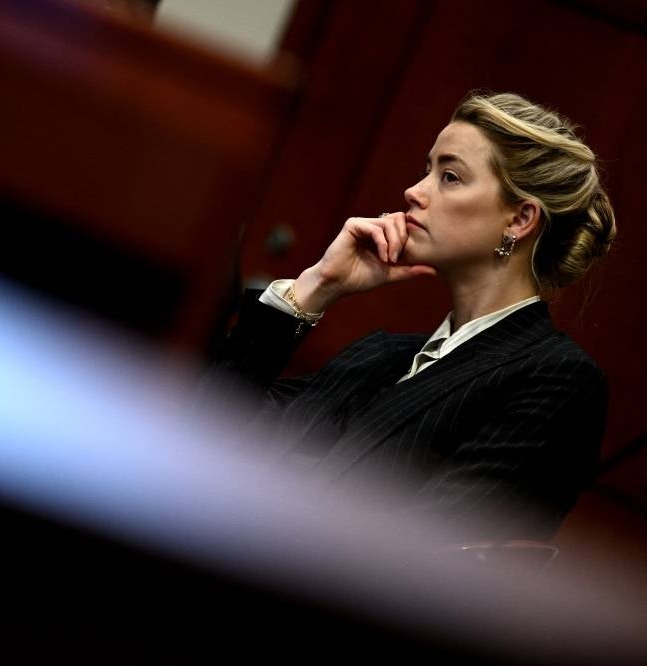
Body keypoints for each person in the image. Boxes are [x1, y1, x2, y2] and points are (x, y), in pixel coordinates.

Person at [209, 92, 616, 542]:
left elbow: (426, 553)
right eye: (427, 170)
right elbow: (207, 433)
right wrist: (315, 288)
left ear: (519, 219)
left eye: (450, 176)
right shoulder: (379, 354)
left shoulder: (557, 379)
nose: (414, 192)